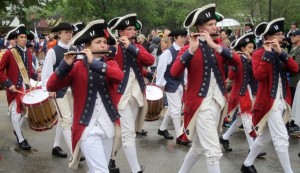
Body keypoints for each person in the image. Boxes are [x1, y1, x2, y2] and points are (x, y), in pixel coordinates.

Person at [47, 19, 123, 172]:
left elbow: (118, 77)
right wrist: (65, 64)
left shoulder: (111, 63)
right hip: (87, 129)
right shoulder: (76, 67)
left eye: (104, 42)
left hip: (108, 127)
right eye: (98, 42)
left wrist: (94, 63)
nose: (103, 45)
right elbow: (51, 86)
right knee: (102, 171)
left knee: (96, 169)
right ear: (88, 46)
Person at [171, 4, 240, 173]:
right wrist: (191, 51)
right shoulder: (189, 48)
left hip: (218, 103)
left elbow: (237, 62)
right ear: (200, 27)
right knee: (213, 151)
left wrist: (216, 46)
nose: (215, 27)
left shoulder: (219, 47)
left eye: (214, 24)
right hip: (200, 105)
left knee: (199, 146)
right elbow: (174, 72)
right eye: (210, 24)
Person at [241, 18, 298, 173]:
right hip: (267, 102)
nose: (282, 37)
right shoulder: (259, 54)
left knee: (264, 136)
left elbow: (295, 69)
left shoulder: (281, 51)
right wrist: (267, 54)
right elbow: (259, 75)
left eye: (281, 34)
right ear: (268, 38)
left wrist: (280, 53)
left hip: (281, 100)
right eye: (278, 34)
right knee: (281, 137)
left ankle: (247, 164)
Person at [108, 13, 154, 173]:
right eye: (129, 29)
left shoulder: (137, 47)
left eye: (134, 29)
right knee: (127, 134)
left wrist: (131, 47)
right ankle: (136, 170)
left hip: (137, 95)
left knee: (126, 133)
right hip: (121, 96)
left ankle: (111, 160)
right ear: (121, 32)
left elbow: (150, 60)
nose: (133, 32)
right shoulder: (113, 47)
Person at [219, 32, 266, 157]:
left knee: (240, 120)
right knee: (247, 119)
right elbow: (231, 76)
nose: (252, 50)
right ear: (242, 49)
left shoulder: (251, 60)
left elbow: (255, 75)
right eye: (250, 47)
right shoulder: (237, 59)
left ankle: (224, 137)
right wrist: (234, 66)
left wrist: (251, 61)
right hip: (240, 92)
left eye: (252, 47)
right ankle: (253, 148)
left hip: (248, 91)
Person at [0, 24, 38, 150]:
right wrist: (8, 83)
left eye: (25, 37)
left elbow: (28, 71)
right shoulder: (9, 53)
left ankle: (17, 131)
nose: (24, 39)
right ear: (16, 39)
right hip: (14, 87)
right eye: (21, 37)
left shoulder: (28, 52)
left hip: (26, 87)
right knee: (16, 114)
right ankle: (21, 139)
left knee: (25, 113)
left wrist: (36, 75)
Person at [41, 22, 75, 158]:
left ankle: (56, 146)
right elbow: (46, 73)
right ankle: (74, 152)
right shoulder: (52, 51)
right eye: (66, 32)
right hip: (58, 91)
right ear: (59, 34)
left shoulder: (73, 49)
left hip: (71, 90)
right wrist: (49, 89)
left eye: (70, 32)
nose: (69, 34)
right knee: (67, 120)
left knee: (64, 119)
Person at [156, 28, 187, 143]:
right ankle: (180, 135)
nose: (184, 39)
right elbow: (161, 68)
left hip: (180, 83)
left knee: (173, 108)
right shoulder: (168, 52)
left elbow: (186, 68)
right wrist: (161, 85)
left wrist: (186, 81)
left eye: (185, 36)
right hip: (170, 83)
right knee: (176, 110)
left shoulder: (185, 50)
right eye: (181, 37)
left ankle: (162, 129)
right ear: (175, 38)